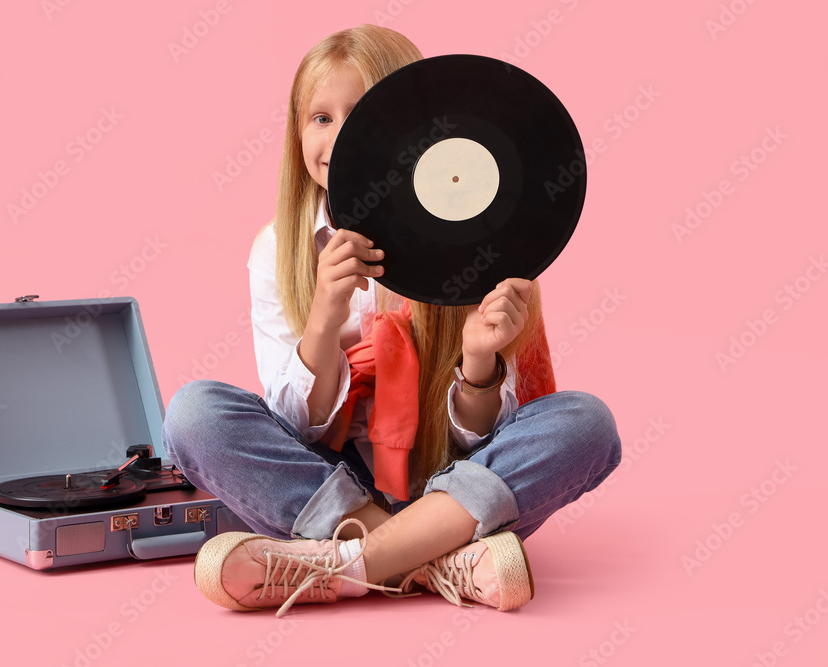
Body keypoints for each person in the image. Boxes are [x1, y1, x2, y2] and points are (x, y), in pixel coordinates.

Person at [164, 24, 621, 617]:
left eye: (358, 115)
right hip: (329, 483)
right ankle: (440, 563)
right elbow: (296, 428)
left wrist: (479, 363)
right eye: (319, 117)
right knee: (194, 412)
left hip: (447, 484)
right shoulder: (277, 250)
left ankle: (346, 566)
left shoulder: (480, 238)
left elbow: (482, 438)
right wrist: (324, 323)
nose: (334, 138)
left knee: (586, 424)